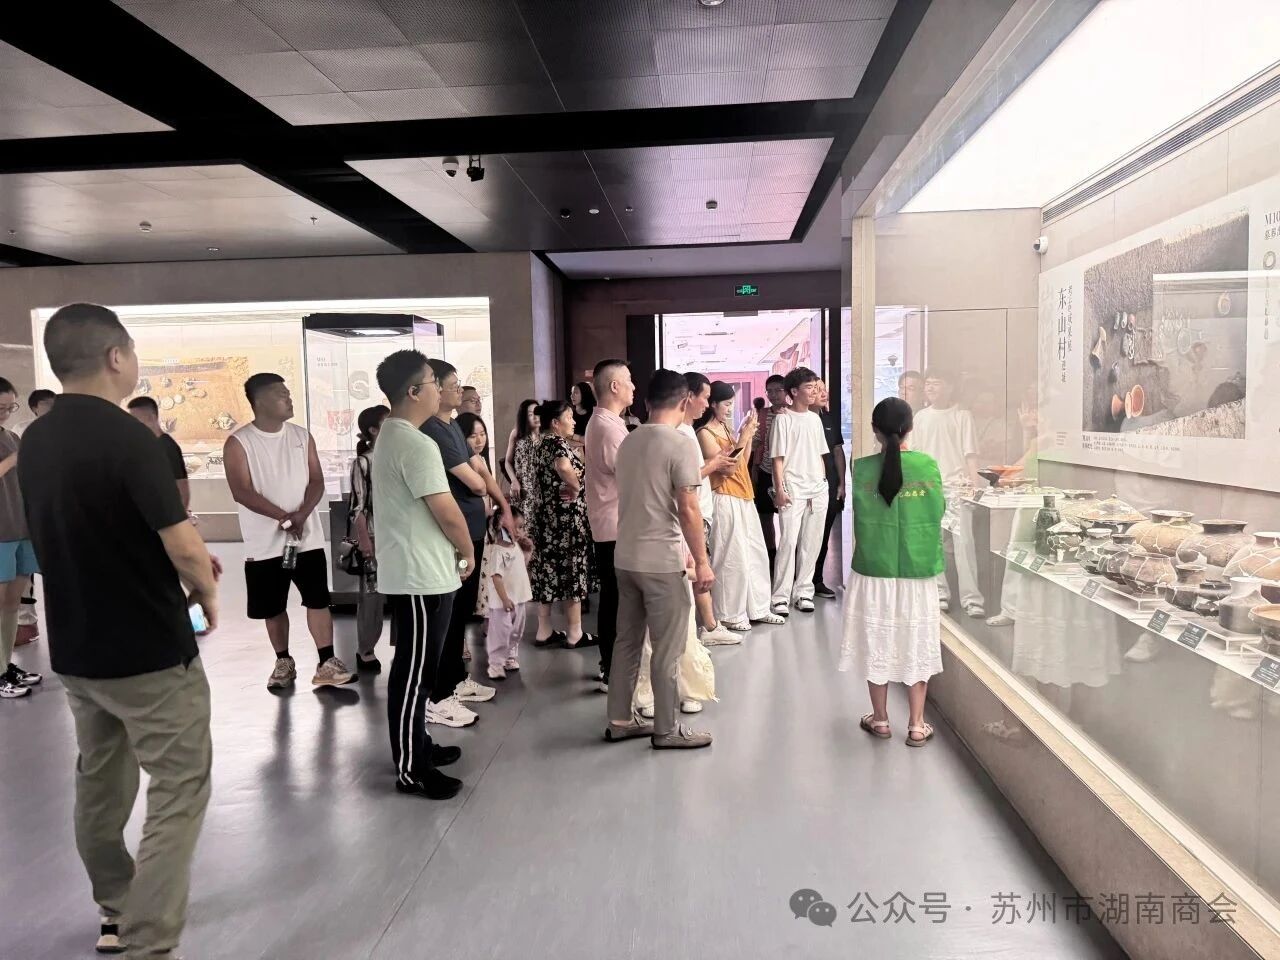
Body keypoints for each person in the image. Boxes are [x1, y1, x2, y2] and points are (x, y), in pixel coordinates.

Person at [19, 302, 218, 956]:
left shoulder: (37, 439)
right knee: (180, 786)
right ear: (115, 357)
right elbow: (183, 544)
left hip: (77, 648)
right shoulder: (132, 438)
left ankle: (116, 907)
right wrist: (205, 591)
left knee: (100, 785)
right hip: (148, 648)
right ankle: (148, 938)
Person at [371, 350, 472, 800]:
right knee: (414, 675)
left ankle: (419, 746)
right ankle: (411, 768)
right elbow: (446, 510)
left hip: (423, 571)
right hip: (419, 576)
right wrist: (467, 549)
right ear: (414, 392)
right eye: (433, 382)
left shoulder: (399, 436)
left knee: (420, 671)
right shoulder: (415, 443)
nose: (440, 389)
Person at [605, 369, 715, 749]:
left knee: (627, 642)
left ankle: (620, 720)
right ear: (684, 402)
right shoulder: (680, 443)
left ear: (647, 401)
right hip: (661, 561)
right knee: (667, 648)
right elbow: (688, 507)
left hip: (626, 557)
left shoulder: (628, 441)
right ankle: (666, 729)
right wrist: (702, 561)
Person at [224, 372, 352, 690]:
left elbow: (316, 480)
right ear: (260, 400)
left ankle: (326, 662)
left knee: (317, 599)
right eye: (281, 394)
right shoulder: (239, 443)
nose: (289, 398)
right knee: (273, 606)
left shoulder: (301, 436)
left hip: (306, 539)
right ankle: (283, 661)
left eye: (288, 392)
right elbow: (242, 491)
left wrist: (302, 515)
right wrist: (283, 518)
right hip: (264, 543)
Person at [838, 397, 945, 746]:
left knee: (877, 641)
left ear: (875, 430)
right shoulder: (927, 466)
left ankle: (881, 719)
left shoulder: (861, 468)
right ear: (910, 428)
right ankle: (916, 724)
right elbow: (939, 509)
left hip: (874, 569)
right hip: (916, 569)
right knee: (917, 642)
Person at [421, 360, 511, 726]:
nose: (461, 391)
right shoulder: (432, 429)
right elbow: (474, 481)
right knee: (450, 611)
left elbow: (481, 471)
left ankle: (455, 680)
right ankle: (439, 693)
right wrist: (482, 489)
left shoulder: (451, 427)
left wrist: (495, 499)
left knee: (460, 612)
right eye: (453, 385)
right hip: (454, 537)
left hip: (472, 531)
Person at [698, 381, 783, 631]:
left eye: (731, 404)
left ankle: (758, 607)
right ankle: (729, 613)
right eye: (726, 404)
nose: (729, 409)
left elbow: (742, 462)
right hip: (724, 496)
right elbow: (728, 469)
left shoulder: (725, 427)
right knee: (730, 557)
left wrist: (746, 437)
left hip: (744, 495)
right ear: (713, 404)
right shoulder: (704, 433)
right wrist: (744, 437)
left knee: (755, 553)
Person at [912, 368, 985, 617]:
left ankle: (972, 598)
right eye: (928, 383)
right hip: (930, 487)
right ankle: (940, 593)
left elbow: (971, 454)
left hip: (958, 487)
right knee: (934, 543)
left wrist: (974, 486)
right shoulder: (920, 418)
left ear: (950, 387)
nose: (930, 387)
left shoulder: (962, 415)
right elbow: (915, 456)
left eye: (937, 383)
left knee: (965, 544)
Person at [529, 400, 598, 649]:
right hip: (566, 521)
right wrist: (577, 488)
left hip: (546, 519)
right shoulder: (558, 443)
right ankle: (575, 632)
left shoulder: (540, 443)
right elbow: (562, 466)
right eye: (569, 417)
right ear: (556, 423)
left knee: (547, 570)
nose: (574, 421)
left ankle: (544, 630)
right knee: (572, 571)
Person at [584, 359, 634, 692]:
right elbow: (629, 475)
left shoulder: (607, 423)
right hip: (614, 525)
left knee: (615, 598)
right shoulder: (608, 427)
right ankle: (611, 668)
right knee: (615, 600)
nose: (633, 386)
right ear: (614, 386)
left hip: (611, 522)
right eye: (628, 380)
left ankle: (612, 665)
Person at [679, 371, 738, 647]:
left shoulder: (688, 430)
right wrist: (713, 465)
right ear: (689, 397)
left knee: (698, 569)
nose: (707, 404)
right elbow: (685, 480)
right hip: (694, 513)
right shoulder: (682, 432)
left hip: (701, 510)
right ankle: (703, 629)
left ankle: (709, 626)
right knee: (696, 569)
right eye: (704, 397)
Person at [768, 367, 830, 616]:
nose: (814, 391)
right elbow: (777, 459)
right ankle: (780, 596)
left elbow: (820, 454)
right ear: (794, 391)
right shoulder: (783, 419)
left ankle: (804, 592)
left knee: (811, 543)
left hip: (817, 488)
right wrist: (779, 489)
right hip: (793, 488)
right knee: (788, 542)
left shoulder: (815, 419)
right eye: (809, 387)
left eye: (815, 387)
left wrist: (823, 481)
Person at [0, 377, 42, 698]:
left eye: (9, 406)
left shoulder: (12, 436)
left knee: (13, 603)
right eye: (0, 407)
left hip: (21, 529)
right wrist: (15, 460)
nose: (5, 412)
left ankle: (6, 664)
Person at [349, 405, 389, 675]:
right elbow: (358, 507)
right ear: (373, 430)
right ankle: (366, 649)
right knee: (372, 597)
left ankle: (402, 645)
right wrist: (365, 546)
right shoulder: (364, 462)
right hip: (375, 536)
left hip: (400, 536)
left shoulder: (399, 455)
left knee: (401, 595)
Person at [484, 507, 532, 681]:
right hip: (502, 602)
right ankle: (495, 664)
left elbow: (520, 568)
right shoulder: (498, 551)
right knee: (500, 632)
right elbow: (496, 577)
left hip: (519, 598)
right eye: (516, 527)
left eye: (522, 527)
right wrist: (504, 599)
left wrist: (528, 552)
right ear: (502, 526)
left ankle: (510, 655)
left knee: (517, 630)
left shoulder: (516, 546)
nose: (520, 531)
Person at [811, 378, 847, 599]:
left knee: (823, 534)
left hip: (830, 483)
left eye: (825, 389)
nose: (823, 394)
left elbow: (837, 451)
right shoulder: (795, 419)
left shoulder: (829, 418)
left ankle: (817, 580)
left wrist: (842, 483)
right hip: (807, 484)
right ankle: (798, 582)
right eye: (818, 390)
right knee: (804, 536)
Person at [127, 396, 190, 511]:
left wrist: (178, 517)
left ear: (152, 418)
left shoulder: (167, 447)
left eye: (136, 420)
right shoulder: (149, 445)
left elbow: (182, 486)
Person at [751, 374, 787, 563]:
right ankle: (771, 554)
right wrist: (754, 468)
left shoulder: (791, 413)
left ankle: (787, 555)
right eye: (769, 391)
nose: (773, 395)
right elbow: (757, 441)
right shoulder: (763, 414)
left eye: (778, 390)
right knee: (765, 516)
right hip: (766, 471)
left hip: (787, 474)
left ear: (786, 391)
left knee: (787, 517)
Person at [502, 398, 540, 506]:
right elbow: (507, 462)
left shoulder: (547, 434)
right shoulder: (516, 434)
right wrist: (514, 481)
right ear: (524, 417)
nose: (535, 417)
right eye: (530, 414)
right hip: (521, 489)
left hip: (542, 489)